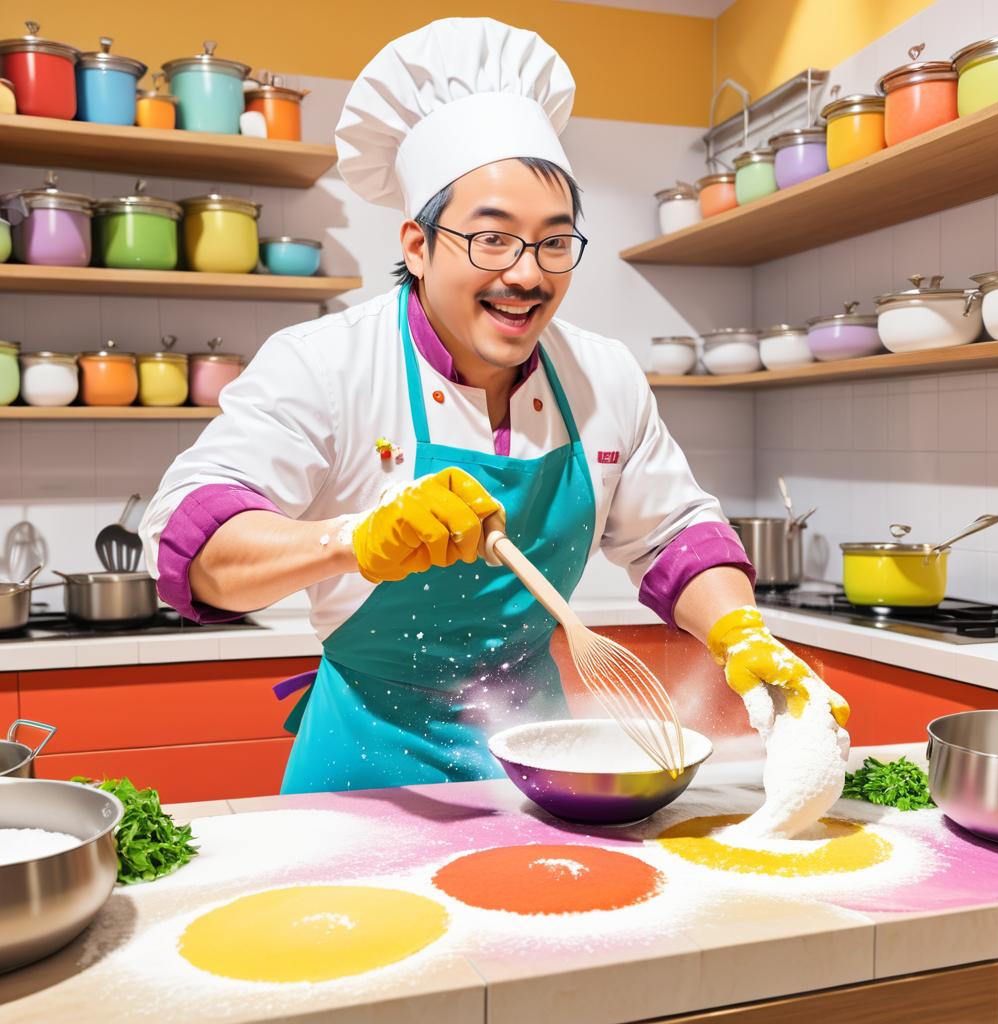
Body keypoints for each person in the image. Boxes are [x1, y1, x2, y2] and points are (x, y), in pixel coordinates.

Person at [141, 17, 848, 795]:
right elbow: (198, 546)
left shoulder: (602, 375)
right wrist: (354, 540)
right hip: (361, 772)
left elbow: (676, 534)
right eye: (492, 240)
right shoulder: (325, 363)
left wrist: (741, 632)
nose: (527, 273)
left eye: (553, 242)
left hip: (535, 761)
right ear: (417, 244)